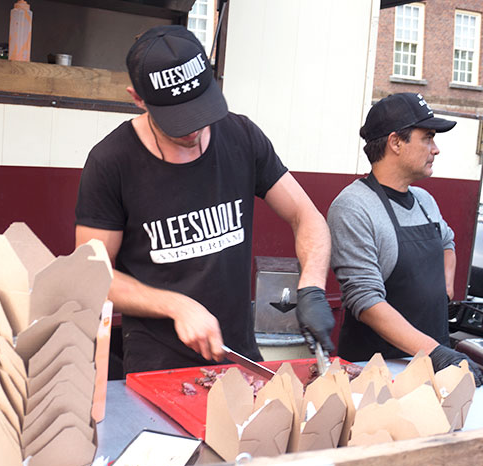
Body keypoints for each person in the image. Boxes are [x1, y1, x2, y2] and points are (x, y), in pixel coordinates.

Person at [74, 25, 335, 373]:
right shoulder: (112, 161)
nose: (194, 129)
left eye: (200, 110)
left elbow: (306, 215)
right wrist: (176, 306)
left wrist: (313, 288)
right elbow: (91, 275)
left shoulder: (241, 136)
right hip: (158, 364)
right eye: (177, 119)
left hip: (239, 353)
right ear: (138, 99)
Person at [327, 92, 483, 386]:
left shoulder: (425, 201)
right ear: (396, 142)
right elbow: (366, 301)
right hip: (377, 374)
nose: (435, 149)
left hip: (431, 365)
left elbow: (447, 243)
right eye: (427, 138)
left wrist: (445, 288)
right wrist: (436, 352)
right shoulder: (353, 207)